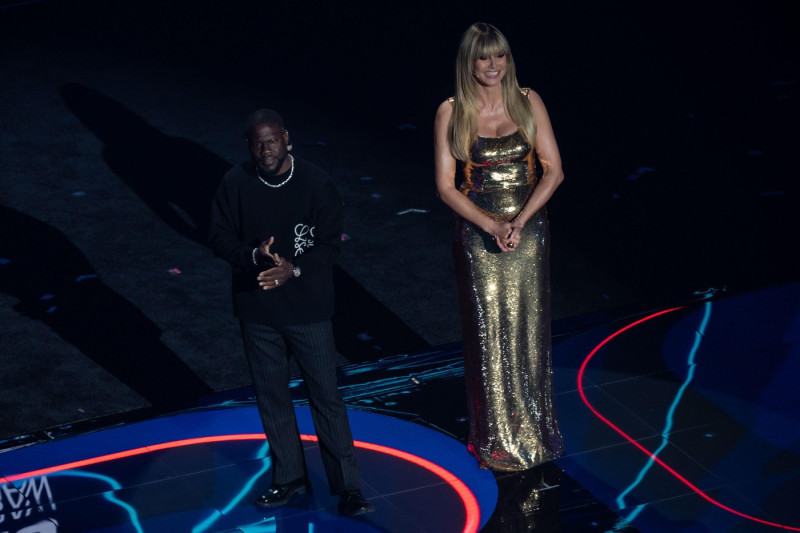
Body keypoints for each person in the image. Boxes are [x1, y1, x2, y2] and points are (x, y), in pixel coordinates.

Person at [209, 109, 373, 516]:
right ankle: (288, 478)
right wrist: (253, 256)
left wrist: (292, 269)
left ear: (286, 139)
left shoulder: (316, 182)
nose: (265, 149)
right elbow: (218, 237)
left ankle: (348, 488)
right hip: (257, 310)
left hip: (308, 309)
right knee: (272, 398)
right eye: (257, 143)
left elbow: (330, 246)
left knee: (325, 397)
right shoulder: (235, 182)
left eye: (271, 141)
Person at [434, 22, 564, 471]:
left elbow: (553, 170)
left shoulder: (528, 100)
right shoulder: (451, 111)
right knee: (489, 332)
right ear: (469, 62)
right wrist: (492, 226)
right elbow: (446, 186)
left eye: (500, 55)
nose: (493, 65)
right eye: (484, 57)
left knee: (529, 327)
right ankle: (495, 440)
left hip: (528, 231)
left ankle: (534, 433)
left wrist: (519, 222)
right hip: (477, 233)